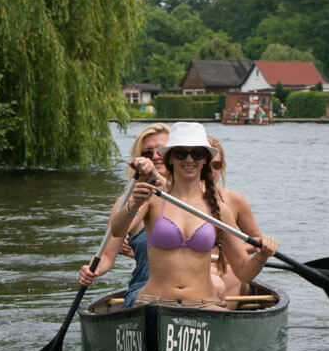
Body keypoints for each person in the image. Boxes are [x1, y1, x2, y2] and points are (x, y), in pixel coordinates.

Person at [111, 122, 277, 310]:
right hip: (154, 302)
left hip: (203, 304)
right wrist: (133, 204)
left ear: (205, 159)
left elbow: (244, 272)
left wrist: (262, 255)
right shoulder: (152, 197)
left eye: (197, 154)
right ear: (170, 159)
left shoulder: (219, 208)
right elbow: (117, 230)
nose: (189, 160)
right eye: (181, 153)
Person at [78, 123, 175, 307]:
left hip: (191, 292)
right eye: (147, 153)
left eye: (161, 151)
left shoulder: (195, 198)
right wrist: (92, 270)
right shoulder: (129, 201)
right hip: (145, 291)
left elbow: (178, 200)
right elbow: (106, 256)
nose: (155, 157)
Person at [207, 137, 262, 303]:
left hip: (230, 265)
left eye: (216, 165)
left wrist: (234, 249)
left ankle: (222, 319)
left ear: (222, 167)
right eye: (206, 165)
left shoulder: (234, 200)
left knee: (229, 275)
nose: (211, 171)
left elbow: (257, 240)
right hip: (196, 267)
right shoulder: (178, 200)